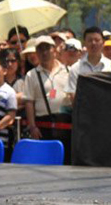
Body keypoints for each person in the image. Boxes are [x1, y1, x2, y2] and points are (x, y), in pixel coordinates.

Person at [24, 35, 72, 163]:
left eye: (47, 48)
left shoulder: (68, 71)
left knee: (66, 161)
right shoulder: (32, 75)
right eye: (40, 49)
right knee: (44, 162)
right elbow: (29, 102)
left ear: (54, 50)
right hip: (43, 125)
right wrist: (32, 126)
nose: (44, 52)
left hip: (65, 122)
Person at [66, 27, 111, 103]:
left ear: (103, 42)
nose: (93, 43)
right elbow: (73, 95)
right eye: (90, 40)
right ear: (84, 43)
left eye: (97, 40)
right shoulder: (75, 68)